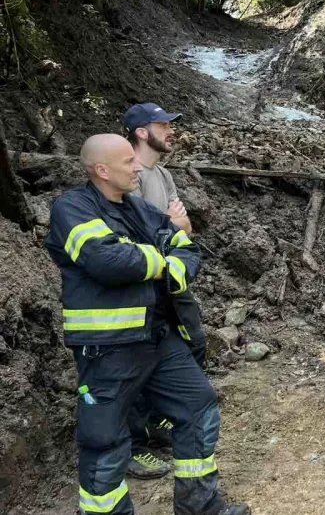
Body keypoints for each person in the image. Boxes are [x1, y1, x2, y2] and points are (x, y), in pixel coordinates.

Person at [45, 134, 248, 515]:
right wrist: (162, 261)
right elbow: (106, 262)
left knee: (199, 407)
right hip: (108, 349)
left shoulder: (137, 209)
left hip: (158, 338)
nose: (137, 166)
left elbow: (186, 248)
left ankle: (200, 506)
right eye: (128, 161)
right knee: (105, 440)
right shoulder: (71, 208)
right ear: (102, 170)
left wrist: (155, 262)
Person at [120, 103, 207, 480]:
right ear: (142, 132)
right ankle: (133, 442)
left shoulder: (164, 174)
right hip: (140, 285)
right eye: (162, 125)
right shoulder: (130, 176)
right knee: (135, 361)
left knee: (193, 341)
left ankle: (158, 418)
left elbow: (184, 228)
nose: (171, 130)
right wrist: (170, 226)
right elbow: (137, 233)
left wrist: (171, 227)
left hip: (170, 280)